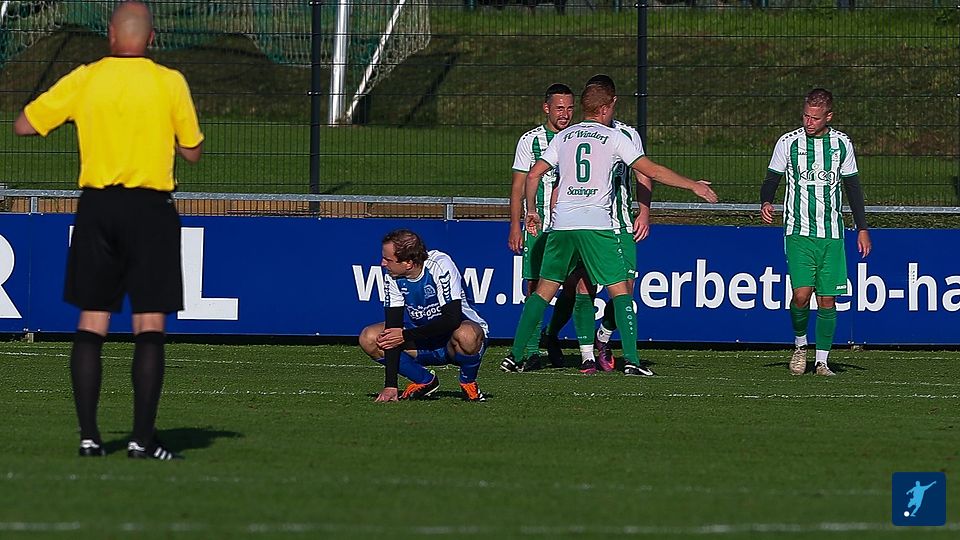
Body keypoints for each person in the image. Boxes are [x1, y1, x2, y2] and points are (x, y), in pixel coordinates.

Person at [13, 1, 204, 459]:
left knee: (92, 319)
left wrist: (81, 117)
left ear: (111, 36)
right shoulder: (169, 82)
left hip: (98, 206)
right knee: (149, 323)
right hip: (151, 208)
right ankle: (141, 440)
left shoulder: (86, 78)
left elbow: (23, 125)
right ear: (151, 39)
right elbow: (193, 150)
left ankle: (89, 438)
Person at [509, 76, 717, 376]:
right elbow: (651, 171)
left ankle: (514, 356)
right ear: (608, 106)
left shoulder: (564, 137)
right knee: (620, 291)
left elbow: (533, 176)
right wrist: (692, 185)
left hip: (562, 224)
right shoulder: (614, 137)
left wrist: (531, 211)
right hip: (596, 224)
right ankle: (631, 360)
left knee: (542, 291)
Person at [760, 88, 871, 376]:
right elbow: (772, 178)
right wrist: (766, 201)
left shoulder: (842, 144)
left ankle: (822, 361)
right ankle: (800, 345)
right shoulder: (788, 142)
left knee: (827, 299)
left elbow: (853, 187)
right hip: (798, 232)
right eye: (806, 116)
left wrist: (862, 228)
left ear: (828, 116)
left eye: (815, 118)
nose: (809, 122)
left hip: (832, 234)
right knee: (801, 295)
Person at [503, 83, 597, 373]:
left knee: (579, 286)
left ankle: (553, 334)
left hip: (574, 226)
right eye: (559, 108)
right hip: (538, 227)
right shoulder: (530, 141)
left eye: (569, 108)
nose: (565, 114)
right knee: (535, 287)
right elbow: (518, 187)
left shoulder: (581, 137)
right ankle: (532, 353)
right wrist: (515, 226)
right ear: (546, 108)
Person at [359, 229, 489, 402]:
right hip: (423, 339)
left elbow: (452, 319)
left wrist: (404, 335)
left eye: (388, 259)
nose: (382, 263)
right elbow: (392, 331)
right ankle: (424, 380)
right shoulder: (392, 276)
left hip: (454, 338)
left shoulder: (439, 264)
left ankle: (468, 383)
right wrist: (391, 385)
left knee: (467, 334)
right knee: (369, 337)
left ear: (408, 263)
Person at [585, 75, 656, 375]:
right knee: (580, 288)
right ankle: (584, 353)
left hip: (621, 224)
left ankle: (603, 337)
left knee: (626, 289)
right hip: (587, 225)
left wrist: (644, 212)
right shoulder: (580, 134)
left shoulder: (627, 135)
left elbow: (643, 174)